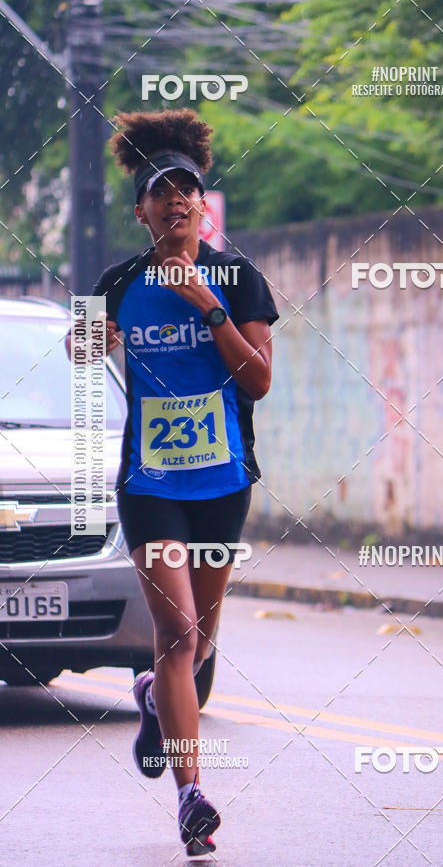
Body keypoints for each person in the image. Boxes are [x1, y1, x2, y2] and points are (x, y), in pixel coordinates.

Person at [65, 108, 278, 856]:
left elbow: (258, 381)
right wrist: (91, 338)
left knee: (201, 643)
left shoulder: (238, 278)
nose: (175, 201)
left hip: (223, 484)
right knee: (177, 633)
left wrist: (207, 307)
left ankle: (156, 695)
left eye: (186, 188)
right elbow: (77, 346)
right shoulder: (119, 282)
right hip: (150, 485)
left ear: (201, 202)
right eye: (160, 192)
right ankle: (192, 796)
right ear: (143, 211)